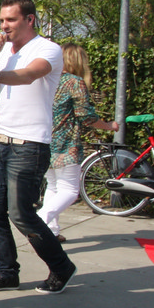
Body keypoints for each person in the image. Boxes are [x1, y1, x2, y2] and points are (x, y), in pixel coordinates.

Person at [0, 0, 78, 295]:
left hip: (30, 144)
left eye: (10, 20)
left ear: (29, 19)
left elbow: (30, 75)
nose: (3, 26)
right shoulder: (4, 50)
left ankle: (61, 266)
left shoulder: (48, 49)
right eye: (1, 20)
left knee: (21, 213)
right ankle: (7, 272)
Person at [38, 43, 120, 241]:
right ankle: (40, 220)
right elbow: (85, 116)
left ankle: (51, 231)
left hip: (43, 141)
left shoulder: (48, 80)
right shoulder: (74, 82)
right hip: (66, 144)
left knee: (53, 186)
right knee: (70, 191)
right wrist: (109, 126)